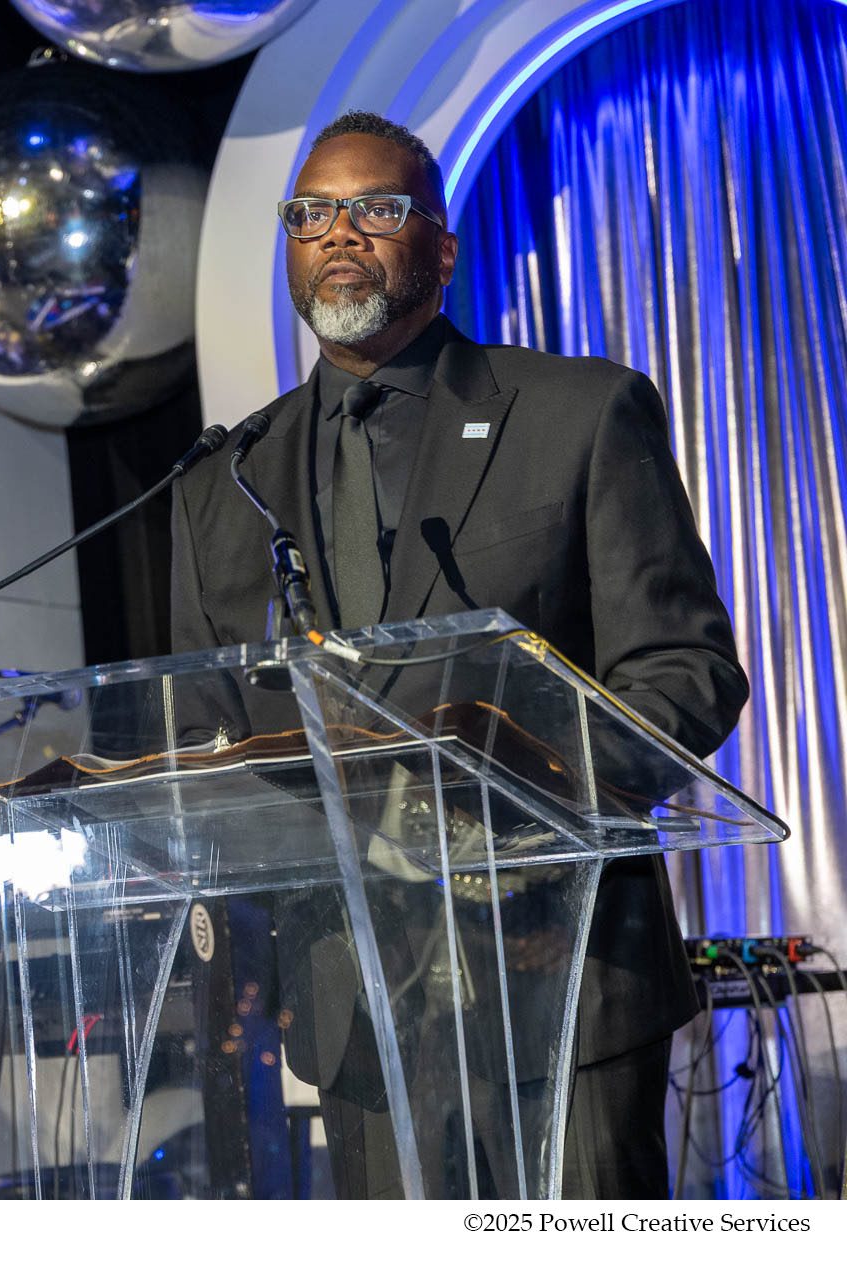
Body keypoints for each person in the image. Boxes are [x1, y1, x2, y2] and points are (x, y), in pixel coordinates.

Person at [168, 111, 748, 1198]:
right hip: (356, 1006)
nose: (341, 233)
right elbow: (208, 737)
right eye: (311, 214)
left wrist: (529, 813)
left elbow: (684, 670)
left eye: (377, 209)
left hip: (560, 972)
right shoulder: (221, 486)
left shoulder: (575, 413)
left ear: (440, 247)